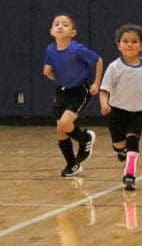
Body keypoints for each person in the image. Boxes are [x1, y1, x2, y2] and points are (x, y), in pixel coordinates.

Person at [99, 24, 142, 191]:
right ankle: (120, 151)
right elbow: (104, 90)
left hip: (138, 113)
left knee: (133, 141)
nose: (129, 44)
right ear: (118, 45)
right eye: (125, 41)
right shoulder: (114, 67)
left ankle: (129, 176)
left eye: (134, 41)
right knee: (119, 145)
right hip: (117, 113)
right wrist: (104, 104)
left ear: (141, 46)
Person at [43, 13, 103, 177]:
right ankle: (72, 164)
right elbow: (54, 73)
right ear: (51, 31)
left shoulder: (77, 49)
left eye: (65, 24)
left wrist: (96, 83)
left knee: (64, 123)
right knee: (60, 130)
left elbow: (98, 60)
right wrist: (49, 73)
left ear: (73, 32)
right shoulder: (50, 50)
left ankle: (85, 139)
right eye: (56, 24)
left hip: (80, 91)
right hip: (62, 91)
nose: (60, 26)